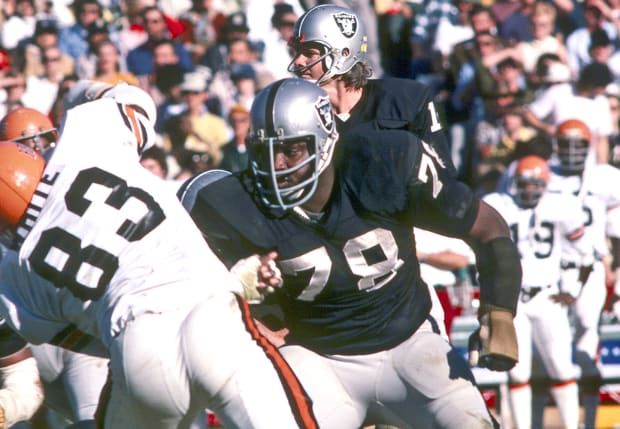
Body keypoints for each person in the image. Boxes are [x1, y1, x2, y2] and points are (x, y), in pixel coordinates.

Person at [180, 77, 521, 428]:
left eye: (291, 150)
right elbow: (187, 299)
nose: (276, 165)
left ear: (325, 140)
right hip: (316, 356)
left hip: (410, 342)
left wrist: (498, 312)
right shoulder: (228, 203)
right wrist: (241, 292)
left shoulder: (385, 161)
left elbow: (488, 228)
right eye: (263, 150)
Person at [0, 80, 318, 428]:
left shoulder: (15, 277)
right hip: (210, 312)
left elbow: (88, 342)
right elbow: (136, 100)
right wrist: (80, 94)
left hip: (138, 349)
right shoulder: (84, 137)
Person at [287, 4, 458, 178]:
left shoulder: (406, 100)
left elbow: (443, 183)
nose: (298, 61)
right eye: (297, 52)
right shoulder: (297, 117)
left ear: (343, 54)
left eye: (308, 52)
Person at [484, 155, 592, 429]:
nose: (529, 190)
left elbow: (586, 254)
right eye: (524, 183)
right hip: (514, 299)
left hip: (547, 296)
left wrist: (573, 290)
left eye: (535, 184)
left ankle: (570, 426)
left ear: (545, 184)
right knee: (517, 371)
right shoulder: (501, 205)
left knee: (561, 368)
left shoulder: (561, 205)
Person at [546, 118, 620, 429]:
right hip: (554, 269)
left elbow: (615, 228)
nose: (573, 152)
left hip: (592, 266)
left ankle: (589, 421)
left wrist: (615, 268)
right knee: (558, 348)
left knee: (588, 338)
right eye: (567, 144)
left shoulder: (604, 177)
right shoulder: (545, 175)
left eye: (579, 144)